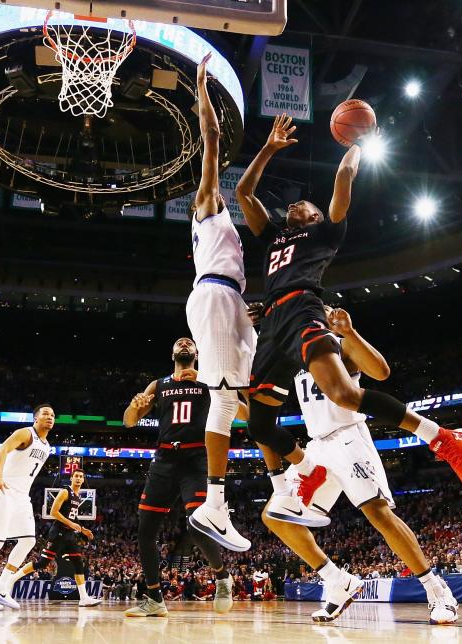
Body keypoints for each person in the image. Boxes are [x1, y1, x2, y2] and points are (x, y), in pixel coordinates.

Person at [234, 115, 462, 527]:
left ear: (316, 217)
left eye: (305, 205)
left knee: (345, 395)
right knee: (259, 424)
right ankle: (311, 468)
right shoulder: (274, 236)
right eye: (295, 204)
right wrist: (270, 148)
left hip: (302, 310)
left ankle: (440, 436)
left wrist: (361, 144)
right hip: (273, 321)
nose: (297, 204)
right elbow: (244, 191)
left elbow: (345, 175)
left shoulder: (326, 233)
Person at [259, 306, 458, 624]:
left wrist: (349, 332)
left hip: (349, 437)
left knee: (378, 513)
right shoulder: (295, 350)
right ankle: (338, 581)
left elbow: (381, 372)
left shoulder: (336, 342)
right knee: (275, 516)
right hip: (318, 445)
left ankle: (437, 591)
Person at [182, 52, 258, 553]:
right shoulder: (208, 205)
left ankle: (221, 499)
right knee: (225, 399)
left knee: (238, 399)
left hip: (226, 301)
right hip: (213, 295)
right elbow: (209, 139)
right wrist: (202, 89)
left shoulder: (224, 224)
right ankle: (214, 503)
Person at [121, 337, 248, 618]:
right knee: (145, 530)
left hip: (196, 459)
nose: (183, 344)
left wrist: (209, 379)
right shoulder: (158, 384)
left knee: (197, 523)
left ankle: (222, 577)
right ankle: (154, 598)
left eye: (188, 343)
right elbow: (129, 420)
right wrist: (134, 406)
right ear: (173, 353)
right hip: (165, 460)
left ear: (196, 354)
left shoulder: (209, 380)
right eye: (179, 343)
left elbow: (245, 414)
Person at [0, 404, 55, 611]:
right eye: (45, 414)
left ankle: (1, 586)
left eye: (53, 415)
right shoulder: (25, 433)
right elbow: (2, 449)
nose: (50, 417)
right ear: (36, 418)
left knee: (28, 540)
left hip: (21, 496)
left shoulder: (47, 446)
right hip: (3, 488)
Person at [6, 469, 101, 607]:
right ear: (71, 478)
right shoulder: (65, 492)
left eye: (81, 476)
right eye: (76, 476)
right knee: (42, 563)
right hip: (58, 533)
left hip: (69, 535)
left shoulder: (77, 496)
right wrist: (71, 523)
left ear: (83, 479)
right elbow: (53, 512)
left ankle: (84, 598)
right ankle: (11, 580)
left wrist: (82, 529)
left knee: (78, 563)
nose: (79, 478)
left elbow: (72, 517)